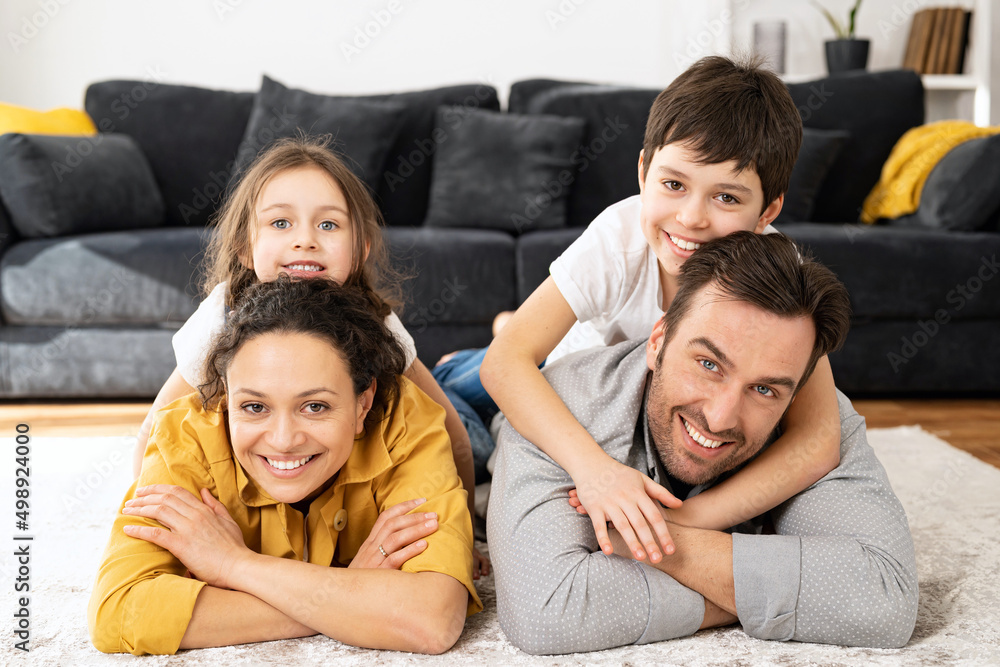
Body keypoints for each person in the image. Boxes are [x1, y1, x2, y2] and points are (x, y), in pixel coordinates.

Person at [440, 56, 841, 564]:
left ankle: (506, 323)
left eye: (726, 196)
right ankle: (463, 357)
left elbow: (821, 438)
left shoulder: (782, 286)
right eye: (673, 184)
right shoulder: (619, 238)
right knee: (459, 428)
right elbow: (508, 362)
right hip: (555, 368)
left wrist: (688, 521)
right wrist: (596, 471)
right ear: (643, 171)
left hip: (600, 369)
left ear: (767, 213)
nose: (691, 218)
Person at [487, 232, 918, 653]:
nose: (719, 417)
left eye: (764, 390)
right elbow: (546, 611)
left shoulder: (818, 425)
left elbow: (884, 600)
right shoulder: (559, 403)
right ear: (657, 343)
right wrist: (782, 589)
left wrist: (661, 544)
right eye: (709, 364)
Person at [130, 136, 488, 576]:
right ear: (245, 246)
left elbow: (454, 436)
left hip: (445, 412)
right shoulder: (222, 315)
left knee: (486, 410)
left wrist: (464, 535)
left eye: (328, 225)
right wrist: (149, 522)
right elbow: (156, 429)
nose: (305, 241)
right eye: (281, 224)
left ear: (360, 250)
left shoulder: (378, 321)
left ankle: (482, 351)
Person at [89, 278, 482, 655]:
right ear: (226, 400)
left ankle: (465, 358)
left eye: (315, 406)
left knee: (481, 417)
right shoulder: (183, 437)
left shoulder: (406, 418)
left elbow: (432, 620)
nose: (282, 440)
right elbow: (119, 612)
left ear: (363, 405)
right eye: (254, 407)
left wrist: (234, 565)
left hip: (470, 421)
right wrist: (349, 592)